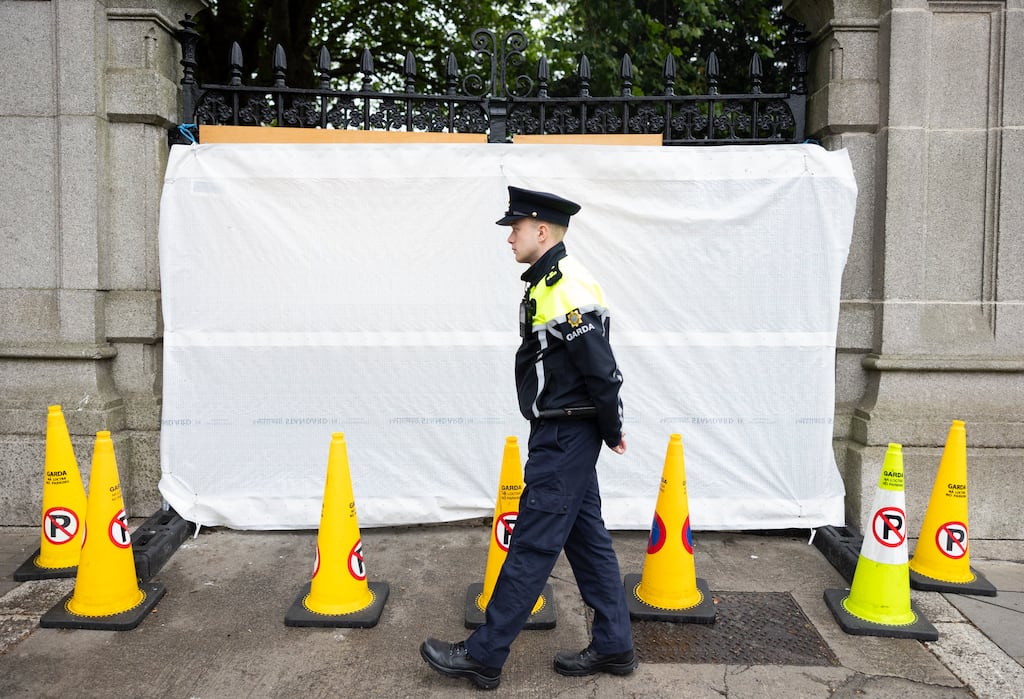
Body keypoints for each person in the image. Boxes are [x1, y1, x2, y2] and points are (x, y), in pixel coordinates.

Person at [420, 186, 636, 690]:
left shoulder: (565, 287)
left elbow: (602, 370)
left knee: (532, 545)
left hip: (565, 435)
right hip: (565, 431)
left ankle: (484, 654)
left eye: (515, 229)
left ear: (542, 231)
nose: (509, 238)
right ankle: (614, 645)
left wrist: (612, 428)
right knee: (588, 543)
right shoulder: (546, 283)